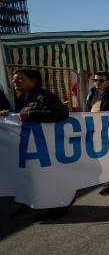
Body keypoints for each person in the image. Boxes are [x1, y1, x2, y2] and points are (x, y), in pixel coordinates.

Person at [1, 69, 69, 219]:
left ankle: (59, 206)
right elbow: (21, 118)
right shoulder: (22, 98)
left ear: (33, 81)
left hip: (45, 148)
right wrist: (9, 115)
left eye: (20, 79)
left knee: (47, 177)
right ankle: (30, 203)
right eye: (14, 80)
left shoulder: (44, 96)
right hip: (31, 147)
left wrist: (31, 115)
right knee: (30, 176)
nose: (15, 82)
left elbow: (62, 114)